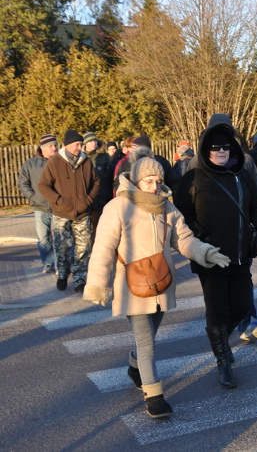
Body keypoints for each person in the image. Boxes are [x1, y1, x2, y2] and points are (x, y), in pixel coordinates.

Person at [83, 150, 230, 418]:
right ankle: (155, 397)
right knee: (146, 341)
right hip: (131, 285)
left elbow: (183, 239)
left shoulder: (167, 207)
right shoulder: (118, 207)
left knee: (149, 337)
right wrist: (97, 284)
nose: (153, 185)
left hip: (161, 282)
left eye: (156, 180)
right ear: (136, 180)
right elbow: (103, 247)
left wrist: (205, 252)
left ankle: (133, 366)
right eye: (148, 180)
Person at [175, 121, 257, 388]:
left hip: (240, 255)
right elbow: (181, 214)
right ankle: (223, 361)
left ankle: (219, 342)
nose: (220, 152)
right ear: (206, 149)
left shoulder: (242, 175)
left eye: (225, 148)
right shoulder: (193, 178)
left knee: (240, 308)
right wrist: (201, 239)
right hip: (211, 258)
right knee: (216, 310)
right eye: (215, 148)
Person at [38, 130, 101, 293]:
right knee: (62, 248)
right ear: (67, 145)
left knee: (83, 248)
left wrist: (87, 200)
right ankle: (63, 275)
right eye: (77, 144)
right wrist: (58, 200)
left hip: (82, 213)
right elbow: (43, 186)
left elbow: (96, 182)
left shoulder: (86, 161)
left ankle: (80, 280)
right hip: (61, 214)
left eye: (81, 144)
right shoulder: (55, 162)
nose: (80, 147)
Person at [18, 134, 58, 273]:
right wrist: (33, 197)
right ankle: (48, 262)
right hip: (40, 207)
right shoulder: (30, 164)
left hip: (59, 206)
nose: (54, 148)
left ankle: (61, 263)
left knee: (61, 236)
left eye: (56, 145)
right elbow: (23, 183)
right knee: (43, 238)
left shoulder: (60, 162)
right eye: (51, 146)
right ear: (43, 148)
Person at [114, 134, 179, 192]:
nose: (131, 150)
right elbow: (119, 183)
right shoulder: (125, 162)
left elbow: (173, 182)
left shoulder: (160, 161)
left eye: (135, 148)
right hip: (133, 200)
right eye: (132, 147)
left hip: (156, 198)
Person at [83, 131, 110, 243]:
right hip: (84, 198)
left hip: (100, 197)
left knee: (97, 226)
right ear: (85, 144)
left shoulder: (103, 157)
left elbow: (108, 177)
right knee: (84, 228)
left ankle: (95, 249)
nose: (94, 143)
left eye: (95, 141)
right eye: (91, 141)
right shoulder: (81, 158)